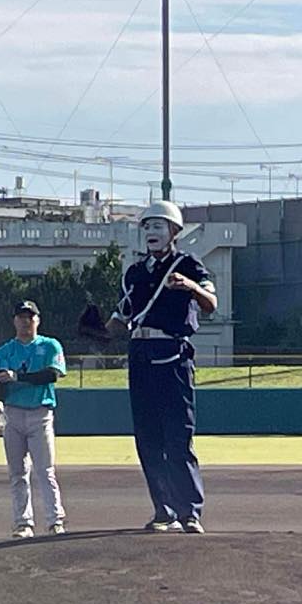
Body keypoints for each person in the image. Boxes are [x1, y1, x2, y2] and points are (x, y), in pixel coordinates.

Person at [104, 201, 218, 534]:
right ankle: (163, 511)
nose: (151, 232)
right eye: (147, 226)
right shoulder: (135, 272)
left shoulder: (188, 264)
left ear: (174, 232)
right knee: (148, 438)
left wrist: (190, 286)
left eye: (159, 226)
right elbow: (121, 317)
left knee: (178, 437)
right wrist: (96, 331)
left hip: (172, 354)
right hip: (140, 355)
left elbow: (211, 304)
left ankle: (189, 511)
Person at [0, 300, 68, 538]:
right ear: (14, 321)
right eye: (21, 317)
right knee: (17, 473)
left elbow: (52, 374)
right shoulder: (5, 351)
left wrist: (17, 377)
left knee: (45, 470)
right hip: (13, 414)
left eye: (30, 317)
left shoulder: (49, 345)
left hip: (40, 414)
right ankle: (23, 523)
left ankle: (55, 520)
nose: (26, 321)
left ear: (38, 320)